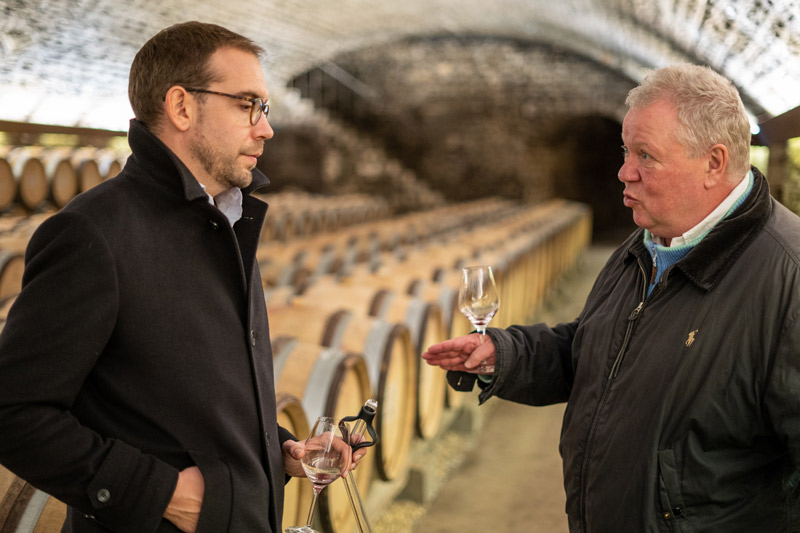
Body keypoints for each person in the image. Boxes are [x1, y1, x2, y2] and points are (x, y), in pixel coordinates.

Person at [0, 21, 363, 533]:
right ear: (182, 106)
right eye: (247, 105)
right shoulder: (93, 233)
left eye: (264, 108)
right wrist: (159, 493)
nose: (266, 128)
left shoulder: (228, 219)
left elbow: (196, 395)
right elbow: (13, 411)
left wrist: (278, 448)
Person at [423, 64, 800, 532]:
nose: (624, 172)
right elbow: (594, 349)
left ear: (714, 163)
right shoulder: (647, 245)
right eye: (626, 150)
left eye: (646, 155)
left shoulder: (789, 280)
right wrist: (505, 355)